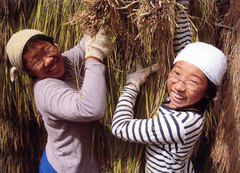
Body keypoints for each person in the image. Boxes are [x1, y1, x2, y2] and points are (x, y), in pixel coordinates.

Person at [6, 28, 114, 172]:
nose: (49, 60)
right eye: (37, 61)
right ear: (29, 72)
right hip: (64, 168)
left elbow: (86, 44)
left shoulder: (64, 61)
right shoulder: (45, 90)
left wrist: (98, 21)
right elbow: (90, 108)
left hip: (65, 156)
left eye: (46, 50)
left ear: (54, 44)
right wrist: (94, 58)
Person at [111, 42, 227, 172]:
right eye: (176, 73)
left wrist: (132, 85)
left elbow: (119, 127)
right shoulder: (192, 105)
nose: (179, 87)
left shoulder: (178, 124)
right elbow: (182, 45)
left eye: (193, 82)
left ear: (208, 92)